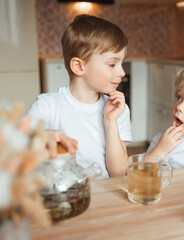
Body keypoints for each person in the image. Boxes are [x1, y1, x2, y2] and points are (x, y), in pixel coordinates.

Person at [28, 14, 132, 178]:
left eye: (122, 63)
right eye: (112, 64)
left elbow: (118, 173)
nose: (122, 72)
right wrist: (40, 136)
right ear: (79, 66)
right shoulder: (48, 105)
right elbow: (15, 139)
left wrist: (110, 122)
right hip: (67, 197)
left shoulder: (119, 110)